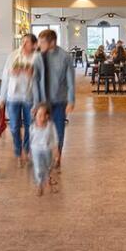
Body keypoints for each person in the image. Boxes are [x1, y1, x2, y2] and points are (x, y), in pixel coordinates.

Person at [33, 29, 75, 159]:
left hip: (59, 101)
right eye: (39, 42)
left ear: (52, 42)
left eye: (42, 42)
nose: (39, 45)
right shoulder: (38, 57)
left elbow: (70, 81)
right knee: (43, 130)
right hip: (43, 102)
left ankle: (57, 156)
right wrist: (36, 103)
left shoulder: (65, 57)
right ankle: (46, 156)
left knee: (59, 131)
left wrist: (71, 100)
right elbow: (35, 81)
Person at [0, 33, 38, 166]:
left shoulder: (37, 58)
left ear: (34, 45)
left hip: (29, 96)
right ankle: (18, 150)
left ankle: (26, 151)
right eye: (23, 41)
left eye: (27, 42)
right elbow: (5, 77)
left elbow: (41, 79)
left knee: (29, 126)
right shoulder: (13, 56)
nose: (24, 44)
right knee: (14, 127)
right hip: (12, 96)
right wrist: (2, 98)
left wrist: (32, 73)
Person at [30, 102, 60, 196]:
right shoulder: (32, 127)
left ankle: (48, 181)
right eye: (39, 115)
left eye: (43, 115)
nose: (41, 118)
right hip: (36, 150)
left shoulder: (50, 126)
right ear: (35, 115)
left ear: (47, 116)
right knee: (38, 168)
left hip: (47, 149)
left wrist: (56, 150)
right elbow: (31, 139)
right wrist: (29, 151)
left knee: (48, 167)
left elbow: (55, 138)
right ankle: (39, 184)